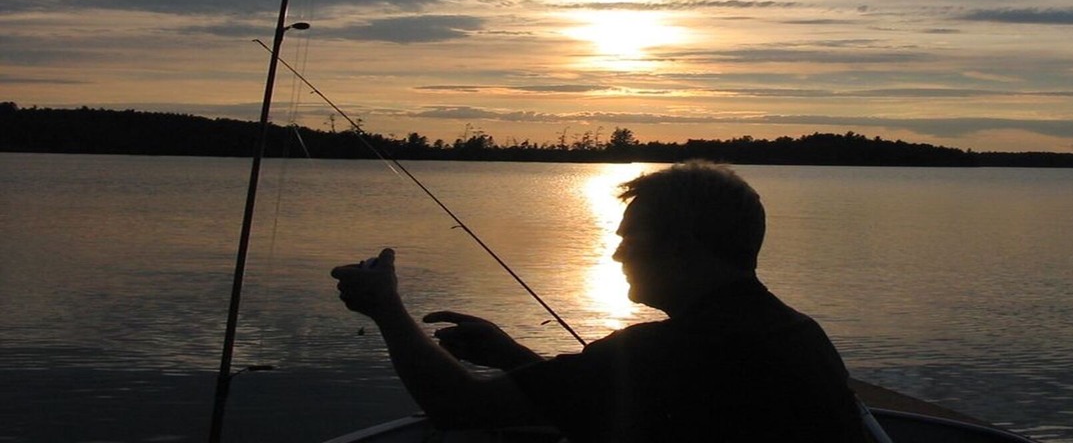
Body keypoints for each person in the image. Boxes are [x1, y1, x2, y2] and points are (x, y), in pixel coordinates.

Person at [332, 161, 866, 441]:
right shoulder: (796, 332)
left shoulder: (666, 349)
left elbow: (459, 408)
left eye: (629, 239)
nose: (616, 257)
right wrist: (514, 356)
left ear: (681, 248)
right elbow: (640, 399)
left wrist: (387, 309)